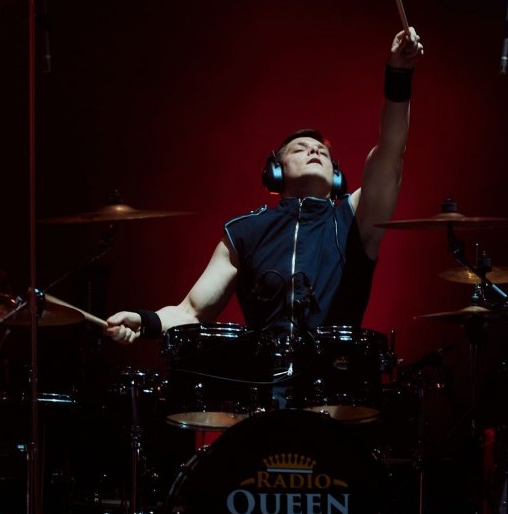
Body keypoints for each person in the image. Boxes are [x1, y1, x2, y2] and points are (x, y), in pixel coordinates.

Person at [104, 27, 425, 416]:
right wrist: (145, 322)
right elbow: (191, 312)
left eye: (322, 151)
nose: (314, 152)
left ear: (338, 175)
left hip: (338, 396)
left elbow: (391, 150)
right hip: (261, 401)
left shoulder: (356, 217)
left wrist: (398, 71)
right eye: (300, 148)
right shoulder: (245, 232)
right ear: (275, 171)